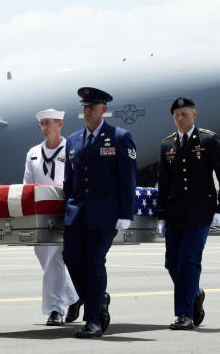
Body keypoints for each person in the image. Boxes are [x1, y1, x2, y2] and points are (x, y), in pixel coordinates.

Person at [62, 87, 137, 338]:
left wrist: (126, 213)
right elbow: (68, 182)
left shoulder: (119, 137)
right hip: (76, 213)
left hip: (104, 214)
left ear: (104, 110)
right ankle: (97, 298)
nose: (87, 111)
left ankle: (92, 320)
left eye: (92, 107)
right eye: (84, 107)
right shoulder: (72, 140)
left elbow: (128, 179)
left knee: (94, 262)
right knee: (71, 259)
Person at [157, 97, 220, 330]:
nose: (180, 119)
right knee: (172, 263)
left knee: (189, 261)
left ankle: (185, 314)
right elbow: (164, 181)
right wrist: (161, 215)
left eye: (185, 114)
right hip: (175, 213)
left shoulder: (208, 140)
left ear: (194, 115)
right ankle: (196, 293)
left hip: (200, 212)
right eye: (177, 115)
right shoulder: (167, 145)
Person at [22, 109, 81, 325]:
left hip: (63, 211)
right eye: (42, 124)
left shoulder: (72, 148)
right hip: (40, 215)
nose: (45, 128)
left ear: (60, 124)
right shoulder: (33, 153)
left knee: (55, 258)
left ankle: (55, 309)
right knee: (45, 259)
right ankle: (74, 297)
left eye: (49, 123)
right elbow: (27, 185)